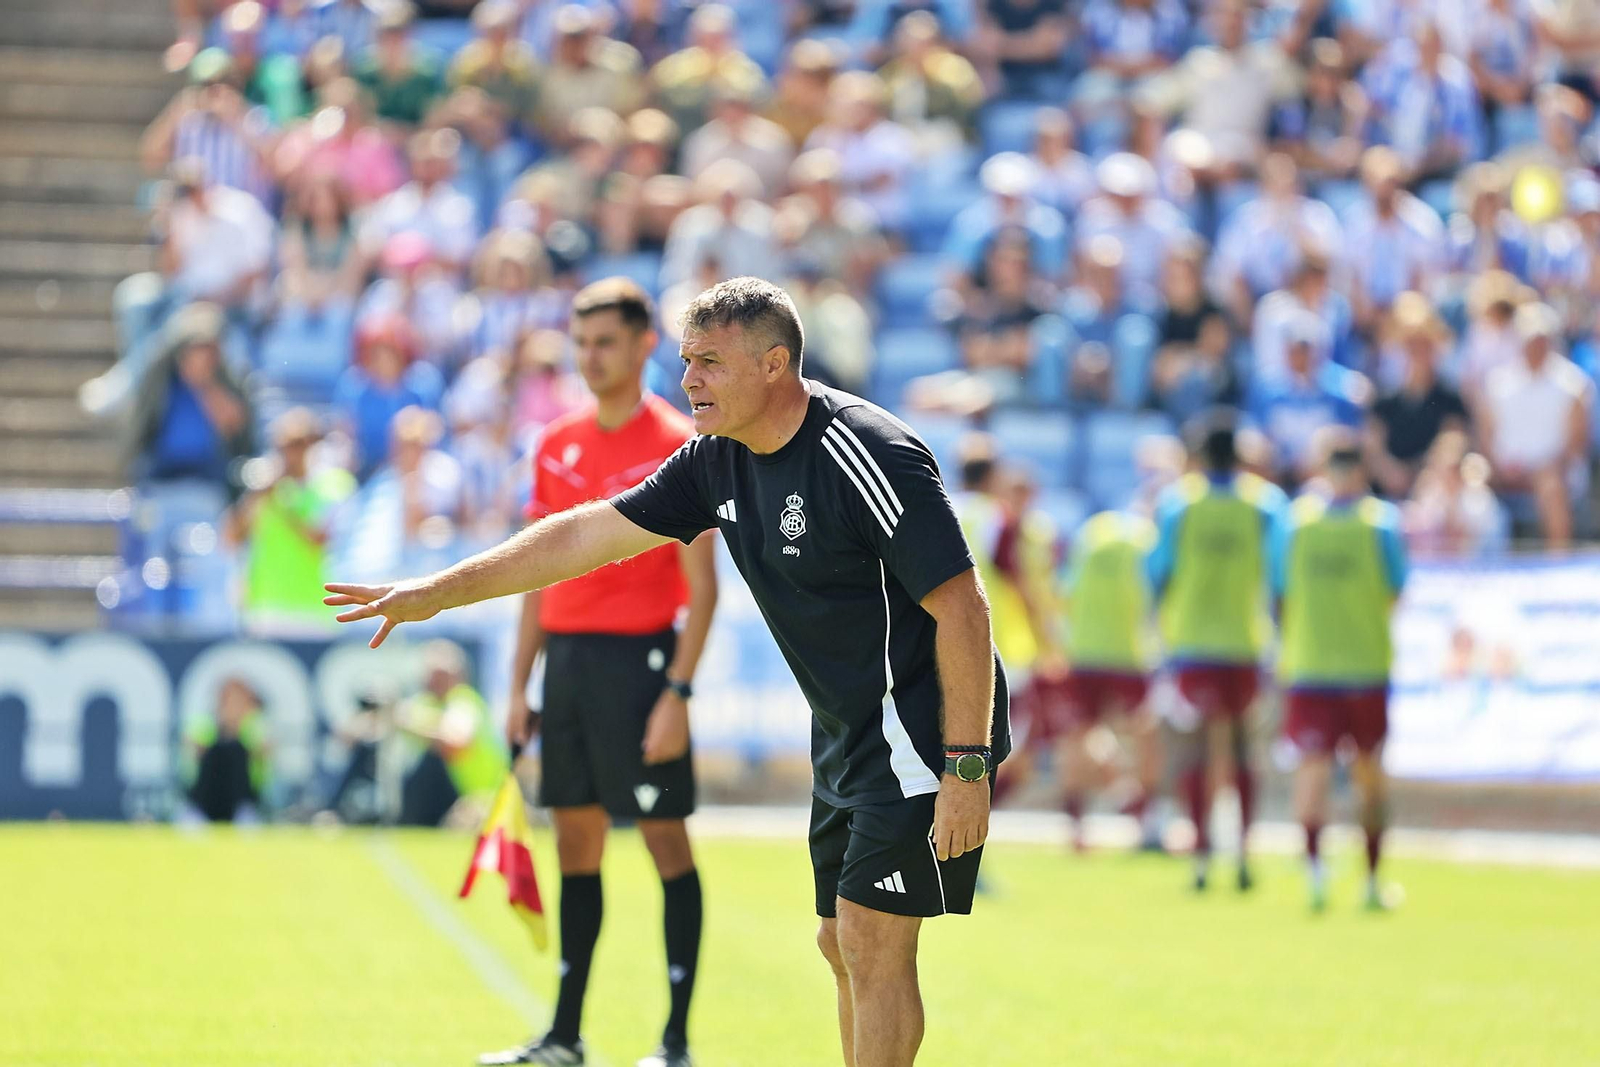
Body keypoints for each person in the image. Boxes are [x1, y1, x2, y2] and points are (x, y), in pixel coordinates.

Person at [327, 277, 1009, 1067]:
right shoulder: (715, 460)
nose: (689, 380)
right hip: (848, 732)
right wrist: (436, 592)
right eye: (687, 361)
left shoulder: (864, 449)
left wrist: (967, 765)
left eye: (710, 362)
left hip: (920, 725)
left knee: (868, 935)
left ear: (775, 364)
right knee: (839, 941)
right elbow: (579, 538)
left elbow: (964, 608)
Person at [481, 279, 720, 1067]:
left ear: (646, 343)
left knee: (665, 844)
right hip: (570, 667)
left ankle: (675, 1039)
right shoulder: (556, 442)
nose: (590, 357)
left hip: (642, 663)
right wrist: (519, 686)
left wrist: (678, 693)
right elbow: (535, 574)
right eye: (580, 344)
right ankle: (564, 1035)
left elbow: (703, 586)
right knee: (575, 842)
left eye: (605, 342)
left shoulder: (682, 443)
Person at [1149, 410, 1286, 892]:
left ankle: (1202, 857)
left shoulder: (1177, 504)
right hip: (1246, 644)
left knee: (1194, 752)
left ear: (1200, 457)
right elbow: (1281, 577)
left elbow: (1157, 573)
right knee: (1246, 752)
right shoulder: (1266, 506)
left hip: (1191, 644)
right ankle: (1244, 851)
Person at [1272, 435, 1408, 911]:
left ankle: (1314, 873)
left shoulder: (1296, 523)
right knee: (1369, 775)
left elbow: (1279, 591)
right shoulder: (1382, 524)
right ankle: (1370, 880)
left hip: (1310, 665)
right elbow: (1396, 591)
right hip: (1364, 666)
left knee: (1314, 771)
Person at [1058, 508, 1161, 853]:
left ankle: (1077, 828)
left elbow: (1066, 590)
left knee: (1079, 736)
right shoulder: (1148, 539)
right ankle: (1145, 819)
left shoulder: (1088, 534)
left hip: (1082, 649)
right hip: (1128, 652)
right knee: (1145, 734)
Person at [228, 408, 355, 633]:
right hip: (266, 607)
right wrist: (257, 496)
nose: (290, 454)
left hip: (313, 610)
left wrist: (283, 501)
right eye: (283, 446)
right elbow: (232, 537)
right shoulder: (264, 490)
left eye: (297, 444)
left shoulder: (330, 486)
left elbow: (317, 539)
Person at [395, 639, 508, 826]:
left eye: (441, 676)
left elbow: (456, 742)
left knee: (432, 760)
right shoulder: (426, 703)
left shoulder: (465, 700)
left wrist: (410, 724)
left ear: (459, 676)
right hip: (455, 797)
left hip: (477, 796)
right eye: (431, 676)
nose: (434, 682)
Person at [181, 676, 271, 822]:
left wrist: (237, 728)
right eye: (230, 700)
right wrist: (224, 727)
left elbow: (265, 749)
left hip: (242, 805)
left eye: (239, 700)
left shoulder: (255, 725)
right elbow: (191, 747)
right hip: (202, 804)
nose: (234, 706)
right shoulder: (205, 723)